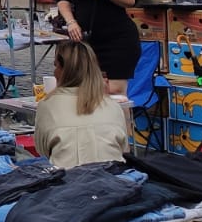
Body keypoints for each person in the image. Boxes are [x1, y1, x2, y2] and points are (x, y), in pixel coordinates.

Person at [34, 40, 131, 168]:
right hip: (114, 180)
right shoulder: (113, 105)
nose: (54, 72)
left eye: (56, 66)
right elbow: (123, 149)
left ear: (64, 70)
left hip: (68, 182)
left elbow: (42, 151)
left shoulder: (47, 106)